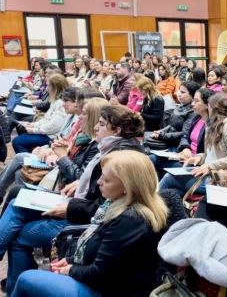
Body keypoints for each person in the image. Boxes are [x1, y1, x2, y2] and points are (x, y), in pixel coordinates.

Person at [0, 105, 145, 295]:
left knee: (18, 229)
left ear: (116, 130)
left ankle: (19, 287)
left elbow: (100, 207)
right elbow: (90, 182)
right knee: (16, 201)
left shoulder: (120, 157)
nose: (94, 127)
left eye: (101, 124)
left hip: (82, 219)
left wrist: (63, 160)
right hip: (77, 204)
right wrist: (77, 180)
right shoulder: (106, 146)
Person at [12, 150, 168, 297]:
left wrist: (70, 269)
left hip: (108, 292)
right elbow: (104, 256)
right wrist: (71, 260)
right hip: (107, 283)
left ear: (127, 187)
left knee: (26, 279)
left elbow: (99, 273)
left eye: (106, 180)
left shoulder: (129, 220)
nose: (99, 182)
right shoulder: (122, 207)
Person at [159, 93, 227, 197]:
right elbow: (212, 155)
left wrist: (210, 165)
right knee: (173, 192)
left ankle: (147, 207)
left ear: (213, 108)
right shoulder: (213, 125)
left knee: (169, 178)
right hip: (208, 173)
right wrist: (199, 158)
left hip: (220, 180)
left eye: (210, 107)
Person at [150, 87, 209, 179]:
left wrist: (193, 156)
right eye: (193, 100)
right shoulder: (196, 118)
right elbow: (185, 136)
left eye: (196, 101)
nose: (193, 104)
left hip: (194, 161)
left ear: (207, 104)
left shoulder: (211, 124)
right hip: (183, 155)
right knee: (150, 159)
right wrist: (186, 148)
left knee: (165, 175)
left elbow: (206, 152)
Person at [11, 73, 69, 153]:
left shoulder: (60, 103)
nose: (47, 89)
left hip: (52, 137)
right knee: (21, 131)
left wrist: (34, 130)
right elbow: (47, 118)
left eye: (49, 86)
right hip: (48, 133)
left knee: (17, 142)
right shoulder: (55, 100)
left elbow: (54, 126)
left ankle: (27, 161)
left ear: (55, 88)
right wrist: (33, 125)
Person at [149, 81, 199, 150]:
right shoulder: (181, 106)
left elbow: (184, 134)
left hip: (178, 145)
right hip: (169, 140)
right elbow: (172, 126)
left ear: (192, 96)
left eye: (183, 92)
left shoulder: (192, 112)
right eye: (179, 91)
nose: (179, 94)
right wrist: (161, 131)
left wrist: (162, 136)